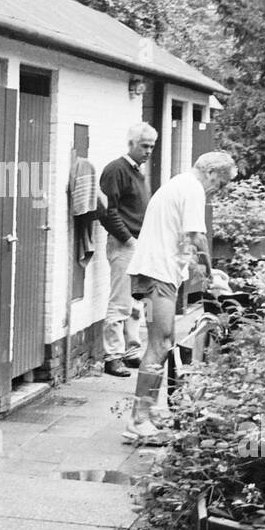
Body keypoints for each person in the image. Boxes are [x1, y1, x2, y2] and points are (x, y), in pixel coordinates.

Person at [124, 151, 238, 442]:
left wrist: (197, 271)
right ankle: (138, 421)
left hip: (152, 275)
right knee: (159, 343)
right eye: (222, 184)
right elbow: (196, 237)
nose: (219, 191)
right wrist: (211, 274)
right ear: (211, 174)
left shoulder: (178, 184)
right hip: (156, 276)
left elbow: (181, 243)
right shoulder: (193, 189)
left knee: (163, 342)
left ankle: (147, 413)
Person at [97, 123, 157, 377]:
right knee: (120, 302)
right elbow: (106, 211)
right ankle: (112, 357)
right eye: (144, 146)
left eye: (152, 146)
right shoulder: (116, 170)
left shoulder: (137, 171)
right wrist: (128, 239)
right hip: (125, 244)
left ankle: (131, 351)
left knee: (136, 301)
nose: (149, 151)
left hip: (139, 243)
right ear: (131, 144)